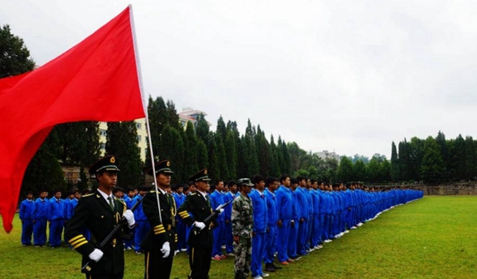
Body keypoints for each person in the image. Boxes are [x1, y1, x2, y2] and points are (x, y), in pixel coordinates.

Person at [65, 155, 135, 279]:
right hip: (98, 261)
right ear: (99, 176)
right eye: (109, 174)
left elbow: (125, 235)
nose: (114, 177)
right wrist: (89, 250)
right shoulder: (88, 202)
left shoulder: (120, 204)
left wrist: (131, 224)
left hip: (117, 262)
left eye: (115, 174)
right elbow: (71, 231)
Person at [177, 169, 218, 279]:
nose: (207, 184)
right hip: (198, 237)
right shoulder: (193, 197)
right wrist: (194, 223)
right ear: (197, 183)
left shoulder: (207, 197)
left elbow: (207, 214)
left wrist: (215, 215)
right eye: (204, 182)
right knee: (197, 269)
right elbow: (181, 211)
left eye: (208, 182)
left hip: (208, 236)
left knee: (205, 268)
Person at [141, 160, 177, 279]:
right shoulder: (151, 196)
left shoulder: (169, 197)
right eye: (165, 175)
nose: (168, 177)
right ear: (156, 176)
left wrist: (173, 241)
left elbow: (172, 220)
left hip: (169, 238)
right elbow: (154, 219)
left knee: (165, 274)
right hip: (156, 241)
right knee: (153, 274)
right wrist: (164, 240)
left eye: (169, 175)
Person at [232, 178, 254, 279]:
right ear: (242, 187)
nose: (250, 188)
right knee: (240, 257)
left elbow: (250, 217)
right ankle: (239, 276)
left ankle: (245, 275)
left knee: (248, 257)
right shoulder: (238, 200)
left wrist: (252, 230)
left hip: (248, 232)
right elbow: (235, 218)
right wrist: (236, 234)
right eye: (247, 186)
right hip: (241, 233)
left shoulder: (249, 199)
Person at [248, 175, 269, 279]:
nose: (263, 184)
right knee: (256, 251)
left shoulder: (263, 195)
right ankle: (255, 272)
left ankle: (259, 270)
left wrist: (267, 224)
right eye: (261, 182)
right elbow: (252, 213)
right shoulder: (253, 195)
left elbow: (265, 212)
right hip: (257, 227)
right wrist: (253, 228)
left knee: (261, 250)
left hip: (263, 226)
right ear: (256, 184)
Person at [263, 177, 281, 272]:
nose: (276, 185)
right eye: (274, 184)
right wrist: (267, 224)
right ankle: (267, 263)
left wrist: (277, 219)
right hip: (269, 224)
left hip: (275, 223)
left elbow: (276, 209)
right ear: (269, 185)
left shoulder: (274, 195)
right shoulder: (266, 195)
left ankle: (271, 261)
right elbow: (265, 212)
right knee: (268, 244)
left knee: (273, 244)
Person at [210, 180, 226, 260]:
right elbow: (211, 209)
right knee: (215, 237)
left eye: (223, 184)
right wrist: (212, 220)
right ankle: (214, 253)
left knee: (220, 236)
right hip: (216, 219)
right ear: (216, 186)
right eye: (220, 184)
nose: (222, 186)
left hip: (222, 219)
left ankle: (219, 252)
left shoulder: (222, 195)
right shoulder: (213, 196)